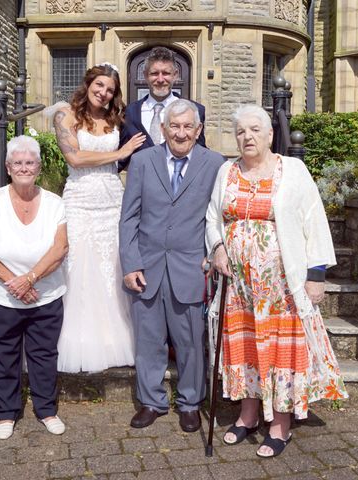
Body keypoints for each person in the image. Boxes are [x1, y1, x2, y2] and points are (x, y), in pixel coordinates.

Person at [205, 105, 348, 457]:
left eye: (255, 130)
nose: (247, 137)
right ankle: (248, 414)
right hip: (239, 287)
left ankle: (280, 423)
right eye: (241, 132)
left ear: (270, 135)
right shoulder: (227, 170)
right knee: (246, 348)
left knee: (282, 352)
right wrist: (218, 248)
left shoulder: (292, 170)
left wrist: (316, 275)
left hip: (282, 287)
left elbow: (313, 220)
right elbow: (212, 218)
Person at [119, 99, 224, 432]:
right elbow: (129, 217)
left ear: (198, 130)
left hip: (192, 266)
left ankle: (191, 402)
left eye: (187, 127)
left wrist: (214, 252)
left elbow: (219, 216)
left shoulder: (216, 164)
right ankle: (151, 401)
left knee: (191, 342)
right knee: (149, 340)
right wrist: (130, 263)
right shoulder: (142, 161)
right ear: (162, 129)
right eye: (174, 126)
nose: (181, 133)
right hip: (147, 266)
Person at [0, 135, 69, 440]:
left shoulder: (55, 202)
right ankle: (7, 412)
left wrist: (29, 279)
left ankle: (46, 410)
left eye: (30, 162)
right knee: (3, 353)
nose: (24, 168)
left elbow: (60, 248)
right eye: (18, 163)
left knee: (43, 354)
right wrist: (13, 283)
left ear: (38, 166)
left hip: (45, 293)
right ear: (8, 166)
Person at [53, 63, 146, 373]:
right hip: (79, 198)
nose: (104, 92)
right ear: (88, 83)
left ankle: (114, 341)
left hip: (111, 199)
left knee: (111, 266)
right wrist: (119, 155)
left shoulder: (116, 119)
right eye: (100, 86)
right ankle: (80, 343)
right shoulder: (65, 115)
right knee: (80, 266)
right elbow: (75, 158)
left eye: (110, 89)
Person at [119, 46, 206, 170]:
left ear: (175, 75)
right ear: (145, 75)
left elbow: (200, 151)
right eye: (154, 73)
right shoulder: (130, 112)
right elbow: (123, 156)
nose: (160, 79)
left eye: (166, 73)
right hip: (143, 186)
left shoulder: (195, 110)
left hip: (180, 184)